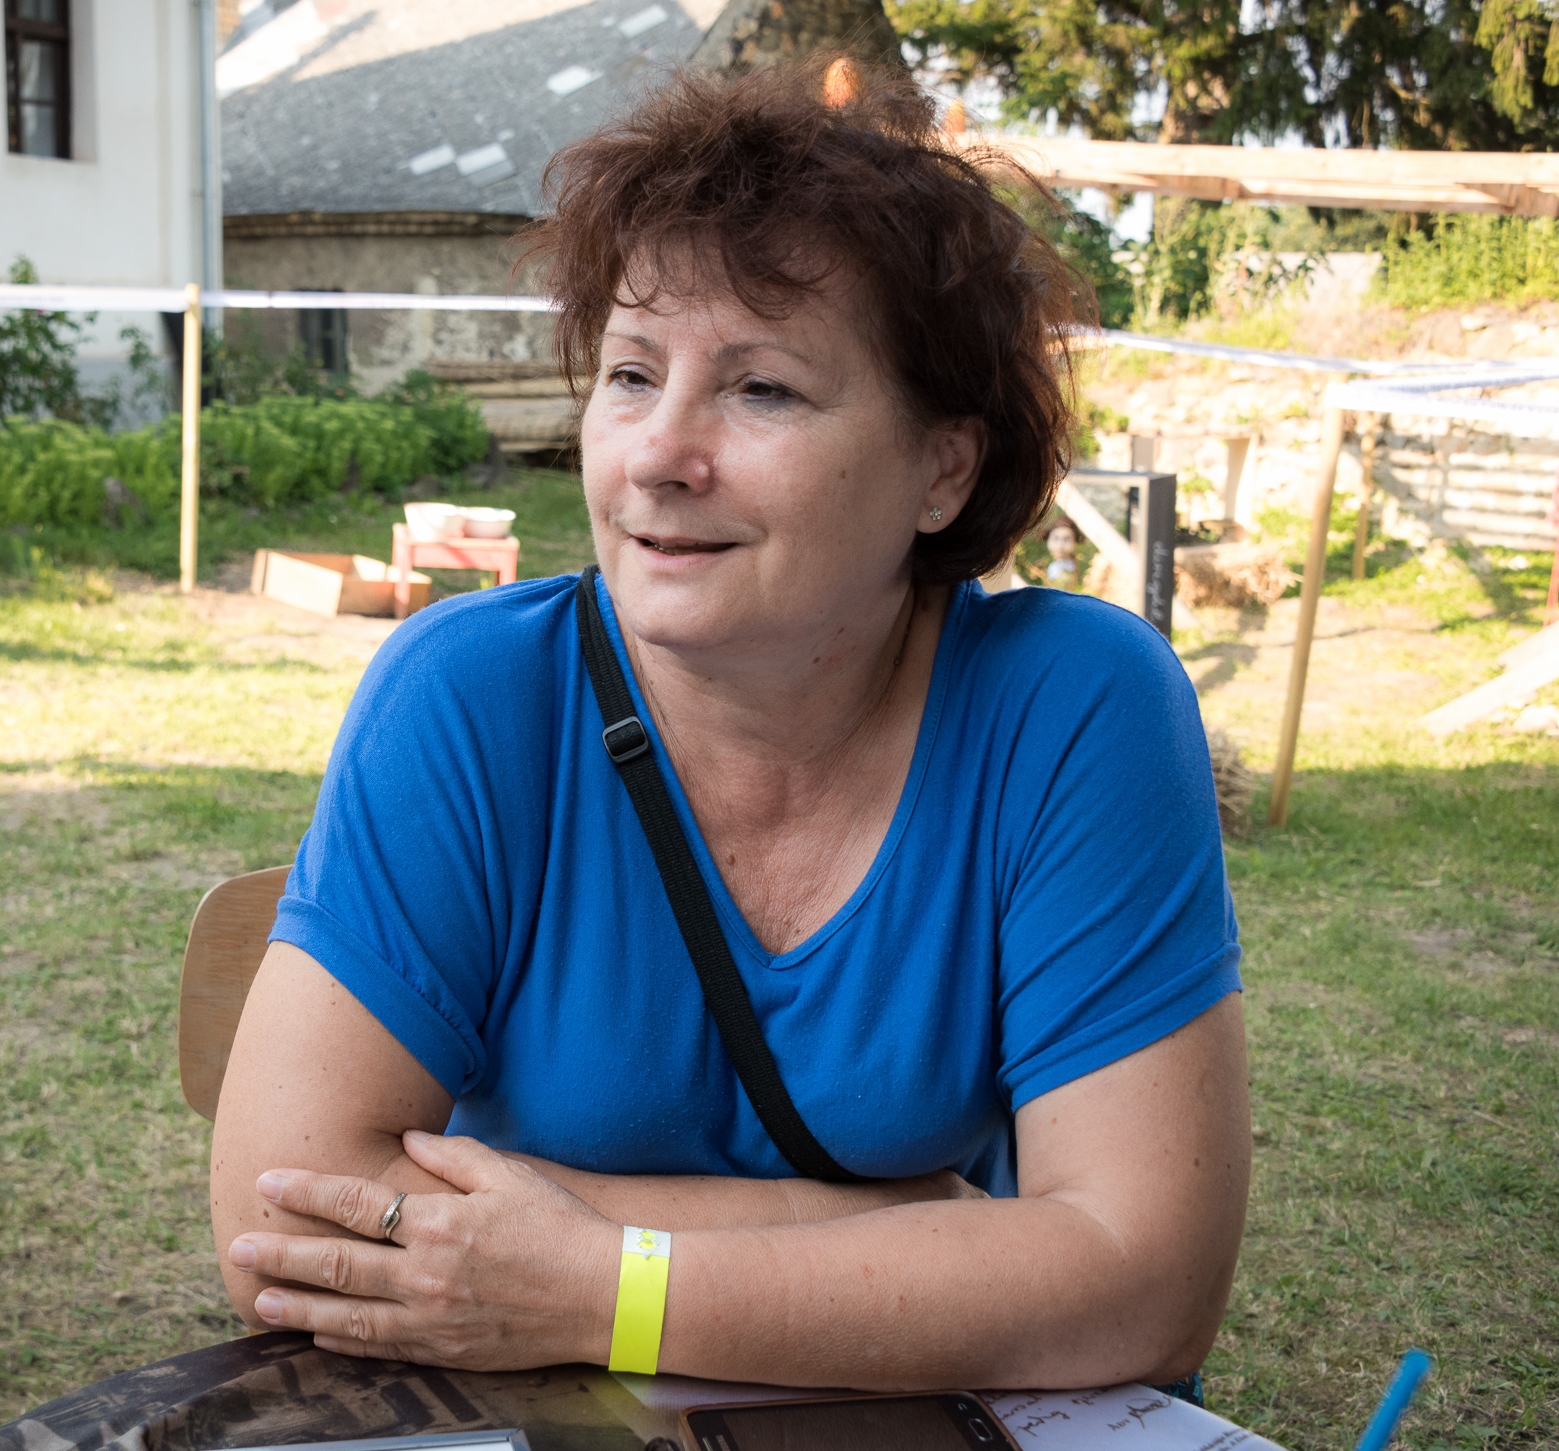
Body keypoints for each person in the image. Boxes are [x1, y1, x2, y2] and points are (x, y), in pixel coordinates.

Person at [210, 58, 1248, 1396]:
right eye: (631, 375)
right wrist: (899, 1231)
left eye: (762, 391)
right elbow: (286, 1223)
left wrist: (596, 1282)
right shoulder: (468, 696)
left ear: (943, 468)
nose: (658, 454)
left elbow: (1144, 1285)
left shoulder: (1074, 708)